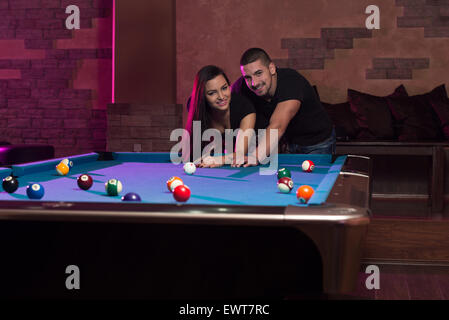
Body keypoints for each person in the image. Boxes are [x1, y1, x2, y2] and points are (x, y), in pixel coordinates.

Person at [231, 48, 335, 166]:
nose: (254, 83)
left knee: (314, 182)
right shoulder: (242, 86)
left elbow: (278, 125)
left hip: (318, 142)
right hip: (289, 142)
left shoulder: (291, 82)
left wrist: (254, 156)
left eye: (259, 73)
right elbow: (224, 101)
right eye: (248, 77)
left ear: (271, 68)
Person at [183, 65, 256, 168]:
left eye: (224, 88)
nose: (221, 97)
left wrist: (218, 159)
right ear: (203, 97)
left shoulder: (245, 107)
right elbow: (193, 147)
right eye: (212, 93)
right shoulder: (195, 105)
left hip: (252, 158)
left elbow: (240, 154)